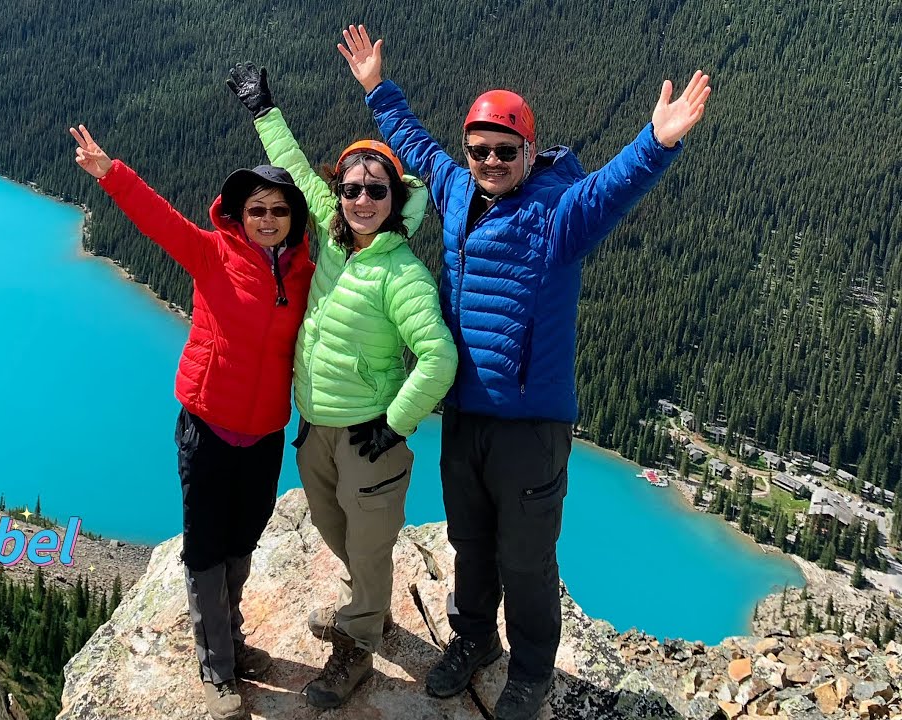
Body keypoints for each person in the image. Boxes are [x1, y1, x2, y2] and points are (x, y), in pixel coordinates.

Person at [336, 24, 712, 720]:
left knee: (527, 560)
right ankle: (473, 640)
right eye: (478, 149)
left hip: (532, 427)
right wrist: (376, 89)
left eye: (505, 151)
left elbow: (611, 190)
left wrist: (656, 143)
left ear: (529, 152)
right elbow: (415, 144)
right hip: (466, 417)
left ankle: (533, 669)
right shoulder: (454, 191)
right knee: (469, 541)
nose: (489, 160)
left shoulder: (558, 216)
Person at [227, 63, 458, 709]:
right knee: (334, 529)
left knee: (369, 539)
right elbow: (298, 171)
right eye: (352, 188)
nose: (359, 200)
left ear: (395, 201)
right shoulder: (332, 235)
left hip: (368, 438)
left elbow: (438, 359)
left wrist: (395, 424)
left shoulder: (402, 275)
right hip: (316, 430)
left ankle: (357, 647)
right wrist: (263, 111)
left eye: (374, 191)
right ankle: (369, 609)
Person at [69, 124, 315, 720]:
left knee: (243, 540)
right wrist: (111, 173)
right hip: (206, 427)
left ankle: (229, 638)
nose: (267, 218)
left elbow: (369, 217)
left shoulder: (308, 273)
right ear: (237, 213)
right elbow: (157, 219)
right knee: (205, 546)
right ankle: (216, 667)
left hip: (264, 433)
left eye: (280, 210)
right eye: (255, 208)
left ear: (294, 217)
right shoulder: (211, 253)